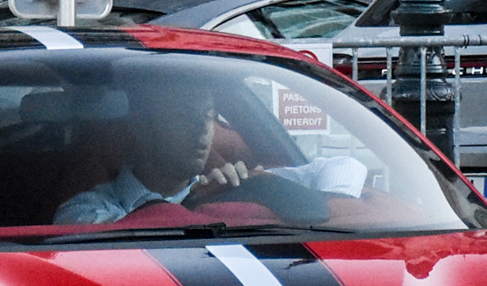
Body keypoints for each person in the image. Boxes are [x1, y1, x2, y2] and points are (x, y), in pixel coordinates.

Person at [53, 65, 363, 226]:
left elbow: (344, 166)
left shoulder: (229, 184)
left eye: (207, 116)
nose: (201, 129)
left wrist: (243, 193)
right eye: (182, 117)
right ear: (143, 126)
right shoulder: (88, 210)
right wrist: (200, 208)